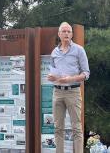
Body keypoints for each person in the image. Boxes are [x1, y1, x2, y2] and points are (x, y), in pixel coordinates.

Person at [47, 22, 90, 153]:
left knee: (76, 128)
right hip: (57, 92)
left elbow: (86, 73)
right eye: (64, 31)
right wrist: (52, 77)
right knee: (57, 128)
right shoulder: (54, 52)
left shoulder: (79, 50)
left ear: (72, 34)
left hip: (73, 92)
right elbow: (53, 71)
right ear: (59, 34)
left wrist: (70, 79)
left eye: (68, 31)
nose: (66, 34)